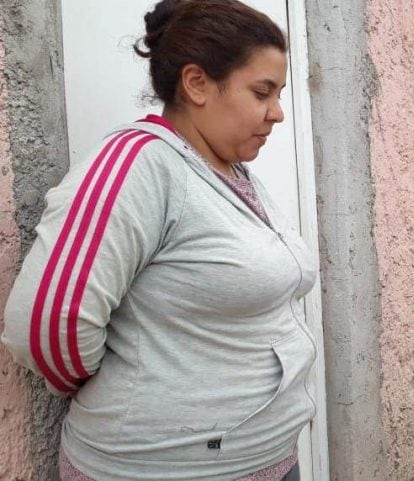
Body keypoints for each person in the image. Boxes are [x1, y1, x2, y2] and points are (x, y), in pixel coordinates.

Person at [1, 1, 315, 480]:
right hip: (159, 467)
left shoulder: (232, 171)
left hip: (264, 459)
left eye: (278, 94)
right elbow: (46, 329)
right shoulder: (139, 166)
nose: (277, 114)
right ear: (196, 83)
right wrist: (139, 392)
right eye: (262, 92)